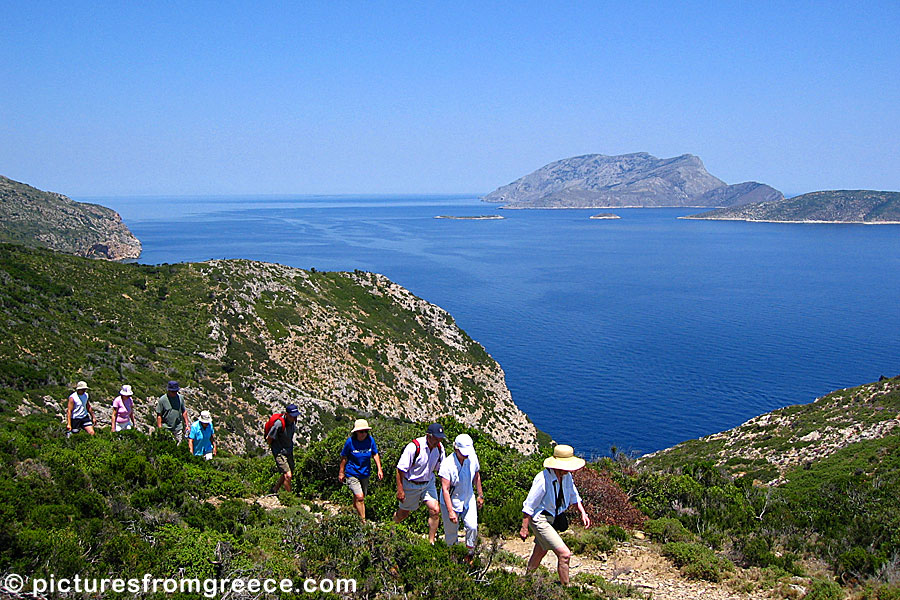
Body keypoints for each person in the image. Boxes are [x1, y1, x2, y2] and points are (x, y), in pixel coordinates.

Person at [519, 444, 592, 587]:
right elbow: (529, 505)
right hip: (541, 519)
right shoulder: (543, 479)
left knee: (541, 551)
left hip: (553, 517)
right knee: (564, 554)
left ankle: (525, 582)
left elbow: (574, 495)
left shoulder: (566, 477)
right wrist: (524, 527)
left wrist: (583, 513)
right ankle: (566, 589)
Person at [393, 422, 446, 544]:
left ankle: (431, 541)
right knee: (403, 513)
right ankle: (391, 528)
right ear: (429, 436)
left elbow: (441, 468)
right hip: (411, 484)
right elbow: (400, 470)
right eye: (436, 437)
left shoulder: (439, 448)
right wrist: (400, 490)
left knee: (435, 510)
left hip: (428, 483)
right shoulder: (414, 447)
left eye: (440, 438)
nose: (438, 440)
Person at [439, 433, 484, 557]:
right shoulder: (447, 464)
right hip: (450, 501)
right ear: (456, 449)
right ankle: (453, 557)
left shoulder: (472, 458)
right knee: (451, 532)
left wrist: (480, 495)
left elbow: (476, 475)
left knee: (472, 526)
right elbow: (445, 489)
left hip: (468, 498)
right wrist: (450, 511)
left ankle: (469, 553)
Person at [338, 419, 384, 521]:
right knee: (360, 497)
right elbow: (344, 457)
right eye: (361, 431)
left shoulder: (370, 440)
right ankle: (363, 521)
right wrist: (341, 472)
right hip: (352, 472)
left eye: (365, 431)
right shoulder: (350, 442)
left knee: (359, 497)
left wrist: (379, 469)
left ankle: (354, 515)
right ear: (356, 432)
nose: (363, 434)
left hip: (365, 473)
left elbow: (375, 454)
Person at [266, 403, 300, 493]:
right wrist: (273, 449)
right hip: (279, 452)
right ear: (287, 414)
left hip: (288, 450)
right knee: (288, 475)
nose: (294, 418)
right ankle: (289, 497)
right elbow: (269, 438)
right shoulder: (279, 424)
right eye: (292, 416)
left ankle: (275, 489)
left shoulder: (292, 422)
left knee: (289, 471)